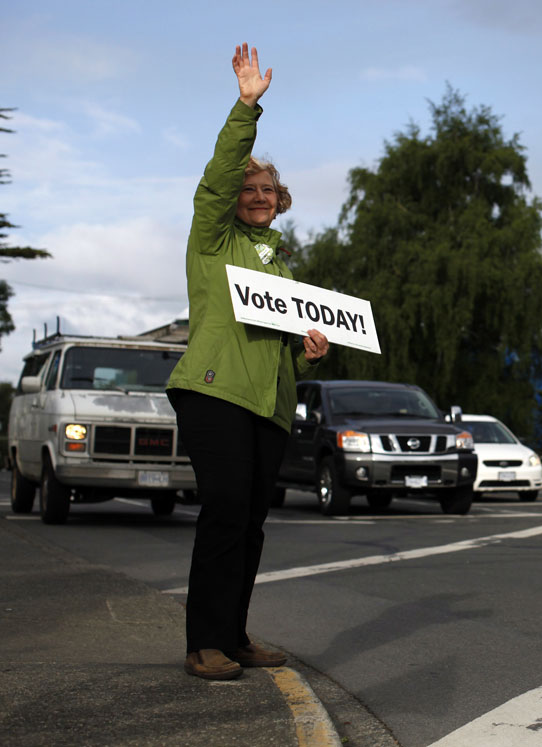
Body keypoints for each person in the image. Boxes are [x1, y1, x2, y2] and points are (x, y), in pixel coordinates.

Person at [166, 44, 329, 681]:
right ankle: (202, 642)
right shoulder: (213, 237)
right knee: (226, 510)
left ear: (280, 199)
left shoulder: (279, 265)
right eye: (249, 188)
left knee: (252, 523)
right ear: (232, 198)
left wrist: (307, 349)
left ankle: (232, 636)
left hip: (267, 405)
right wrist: (246, 107)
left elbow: (283, 343)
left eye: (269, 189)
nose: (258, 195)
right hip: (214, 393)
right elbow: (217, 175)